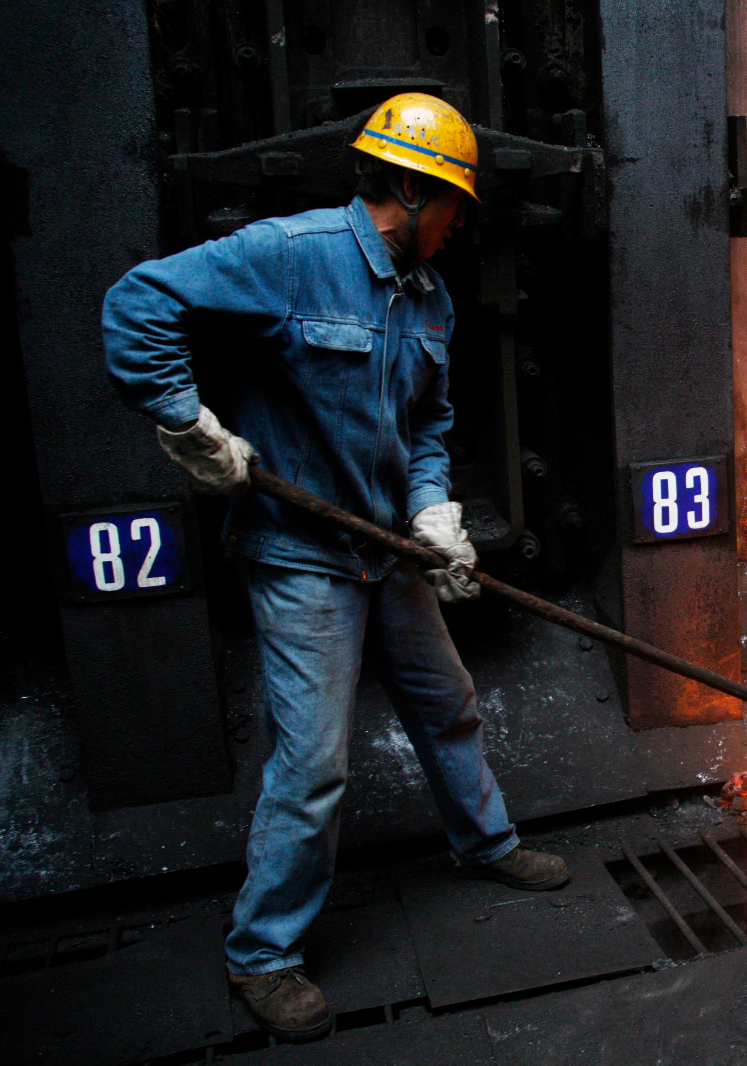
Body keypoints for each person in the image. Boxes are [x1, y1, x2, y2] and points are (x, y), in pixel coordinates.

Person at [102, 93, 567, 1043]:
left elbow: (427, 424)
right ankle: (262, 954)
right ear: (410, 190)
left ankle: (487, 843)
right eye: (455, 207)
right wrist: (187, 420)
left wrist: (433, 512)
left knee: (449, 704)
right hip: (302, 555)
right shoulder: (292, 253)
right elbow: (137, 302)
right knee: (314, 766)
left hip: (386, 548)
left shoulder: (429, 299)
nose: (461, 226)